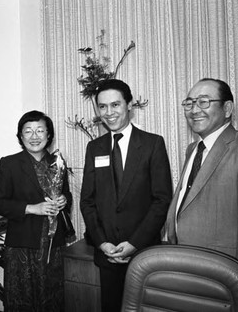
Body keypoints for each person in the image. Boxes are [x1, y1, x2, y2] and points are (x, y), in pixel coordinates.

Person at [165, 78, 238, 284]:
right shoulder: (193, 150)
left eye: (203, 102)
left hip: (224, 279)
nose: (194, 110)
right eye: (189, 103)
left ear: (227, 108)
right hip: (185, 269)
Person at [80, 79, 173, 312]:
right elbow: (87, 201)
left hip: (142, 251)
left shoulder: (153, 144)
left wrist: (133, 243)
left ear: (129, 104)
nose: (108, 113)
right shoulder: (95, 148)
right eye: (102, 107)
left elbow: (161, 200)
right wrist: (102, 242)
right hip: (107, 254)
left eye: (115, 105)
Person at [0, 110, 73, 312]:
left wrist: (64, 200)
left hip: (53, 245)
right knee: (22, 300)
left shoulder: (58, 163)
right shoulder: (9, 164)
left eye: (40, 131)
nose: (34, 136)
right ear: (20, 136)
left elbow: (66, 195)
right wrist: (31, 208)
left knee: (53, 298)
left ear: (49, 135)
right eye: (28, 131)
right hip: (22, 247)